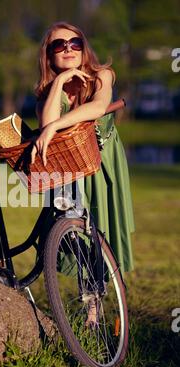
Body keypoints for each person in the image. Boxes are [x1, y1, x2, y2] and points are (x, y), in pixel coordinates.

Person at [31, 21, 135, 276]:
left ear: (83, 48)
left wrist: (54, 127)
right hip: (68, 168)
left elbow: (98, 108)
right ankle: (85, 303)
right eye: (59, 45)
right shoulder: (48, 93)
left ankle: (94, 310)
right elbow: (46, 122)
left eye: (74, 43)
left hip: (101, 165)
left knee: (102, 232)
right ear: (49, 55)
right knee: (75, 234)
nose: (68, 49)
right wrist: (60, 83)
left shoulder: (102, 75)